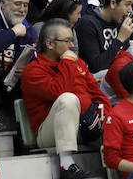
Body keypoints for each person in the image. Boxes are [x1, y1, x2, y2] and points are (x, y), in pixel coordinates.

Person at [21, 18, 110, 179]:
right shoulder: (33, 71)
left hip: (85, 124)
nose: (72, 45)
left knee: (124, 131)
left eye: (72, 40)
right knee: (67, 99)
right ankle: (66, 164)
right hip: (50, 133)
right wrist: (67, 62)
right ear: (49, 43)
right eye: (67, 41)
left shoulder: (77, 62)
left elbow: (98, 95)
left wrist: (106, 120)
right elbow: (60, 91)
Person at [75, 0, 133, 74]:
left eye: (131, 5)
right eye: (127, 4)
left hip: (118, 74)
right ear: (113, 3)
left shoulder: (120, 21)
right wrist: (119, 40)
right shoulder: (88, 24)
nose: (130, 10)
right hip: (96, 78)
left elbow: (126, 58)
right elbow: (95, 67)